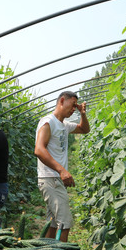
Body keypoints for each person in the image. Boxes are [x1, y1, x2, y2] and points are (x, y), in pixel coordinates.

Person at [34, 91, 90, 242]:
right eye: (72, 105)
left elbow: (84, 130)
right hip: (51, 178)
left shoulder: (64, 125)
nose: (74, 109)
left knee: (52, 223)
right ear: (62, 101)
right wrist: (62, 170)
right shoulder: (48, 122)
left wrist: (82, 113)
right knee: (64, 222)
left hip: (56, 179)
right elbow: (39, 150)